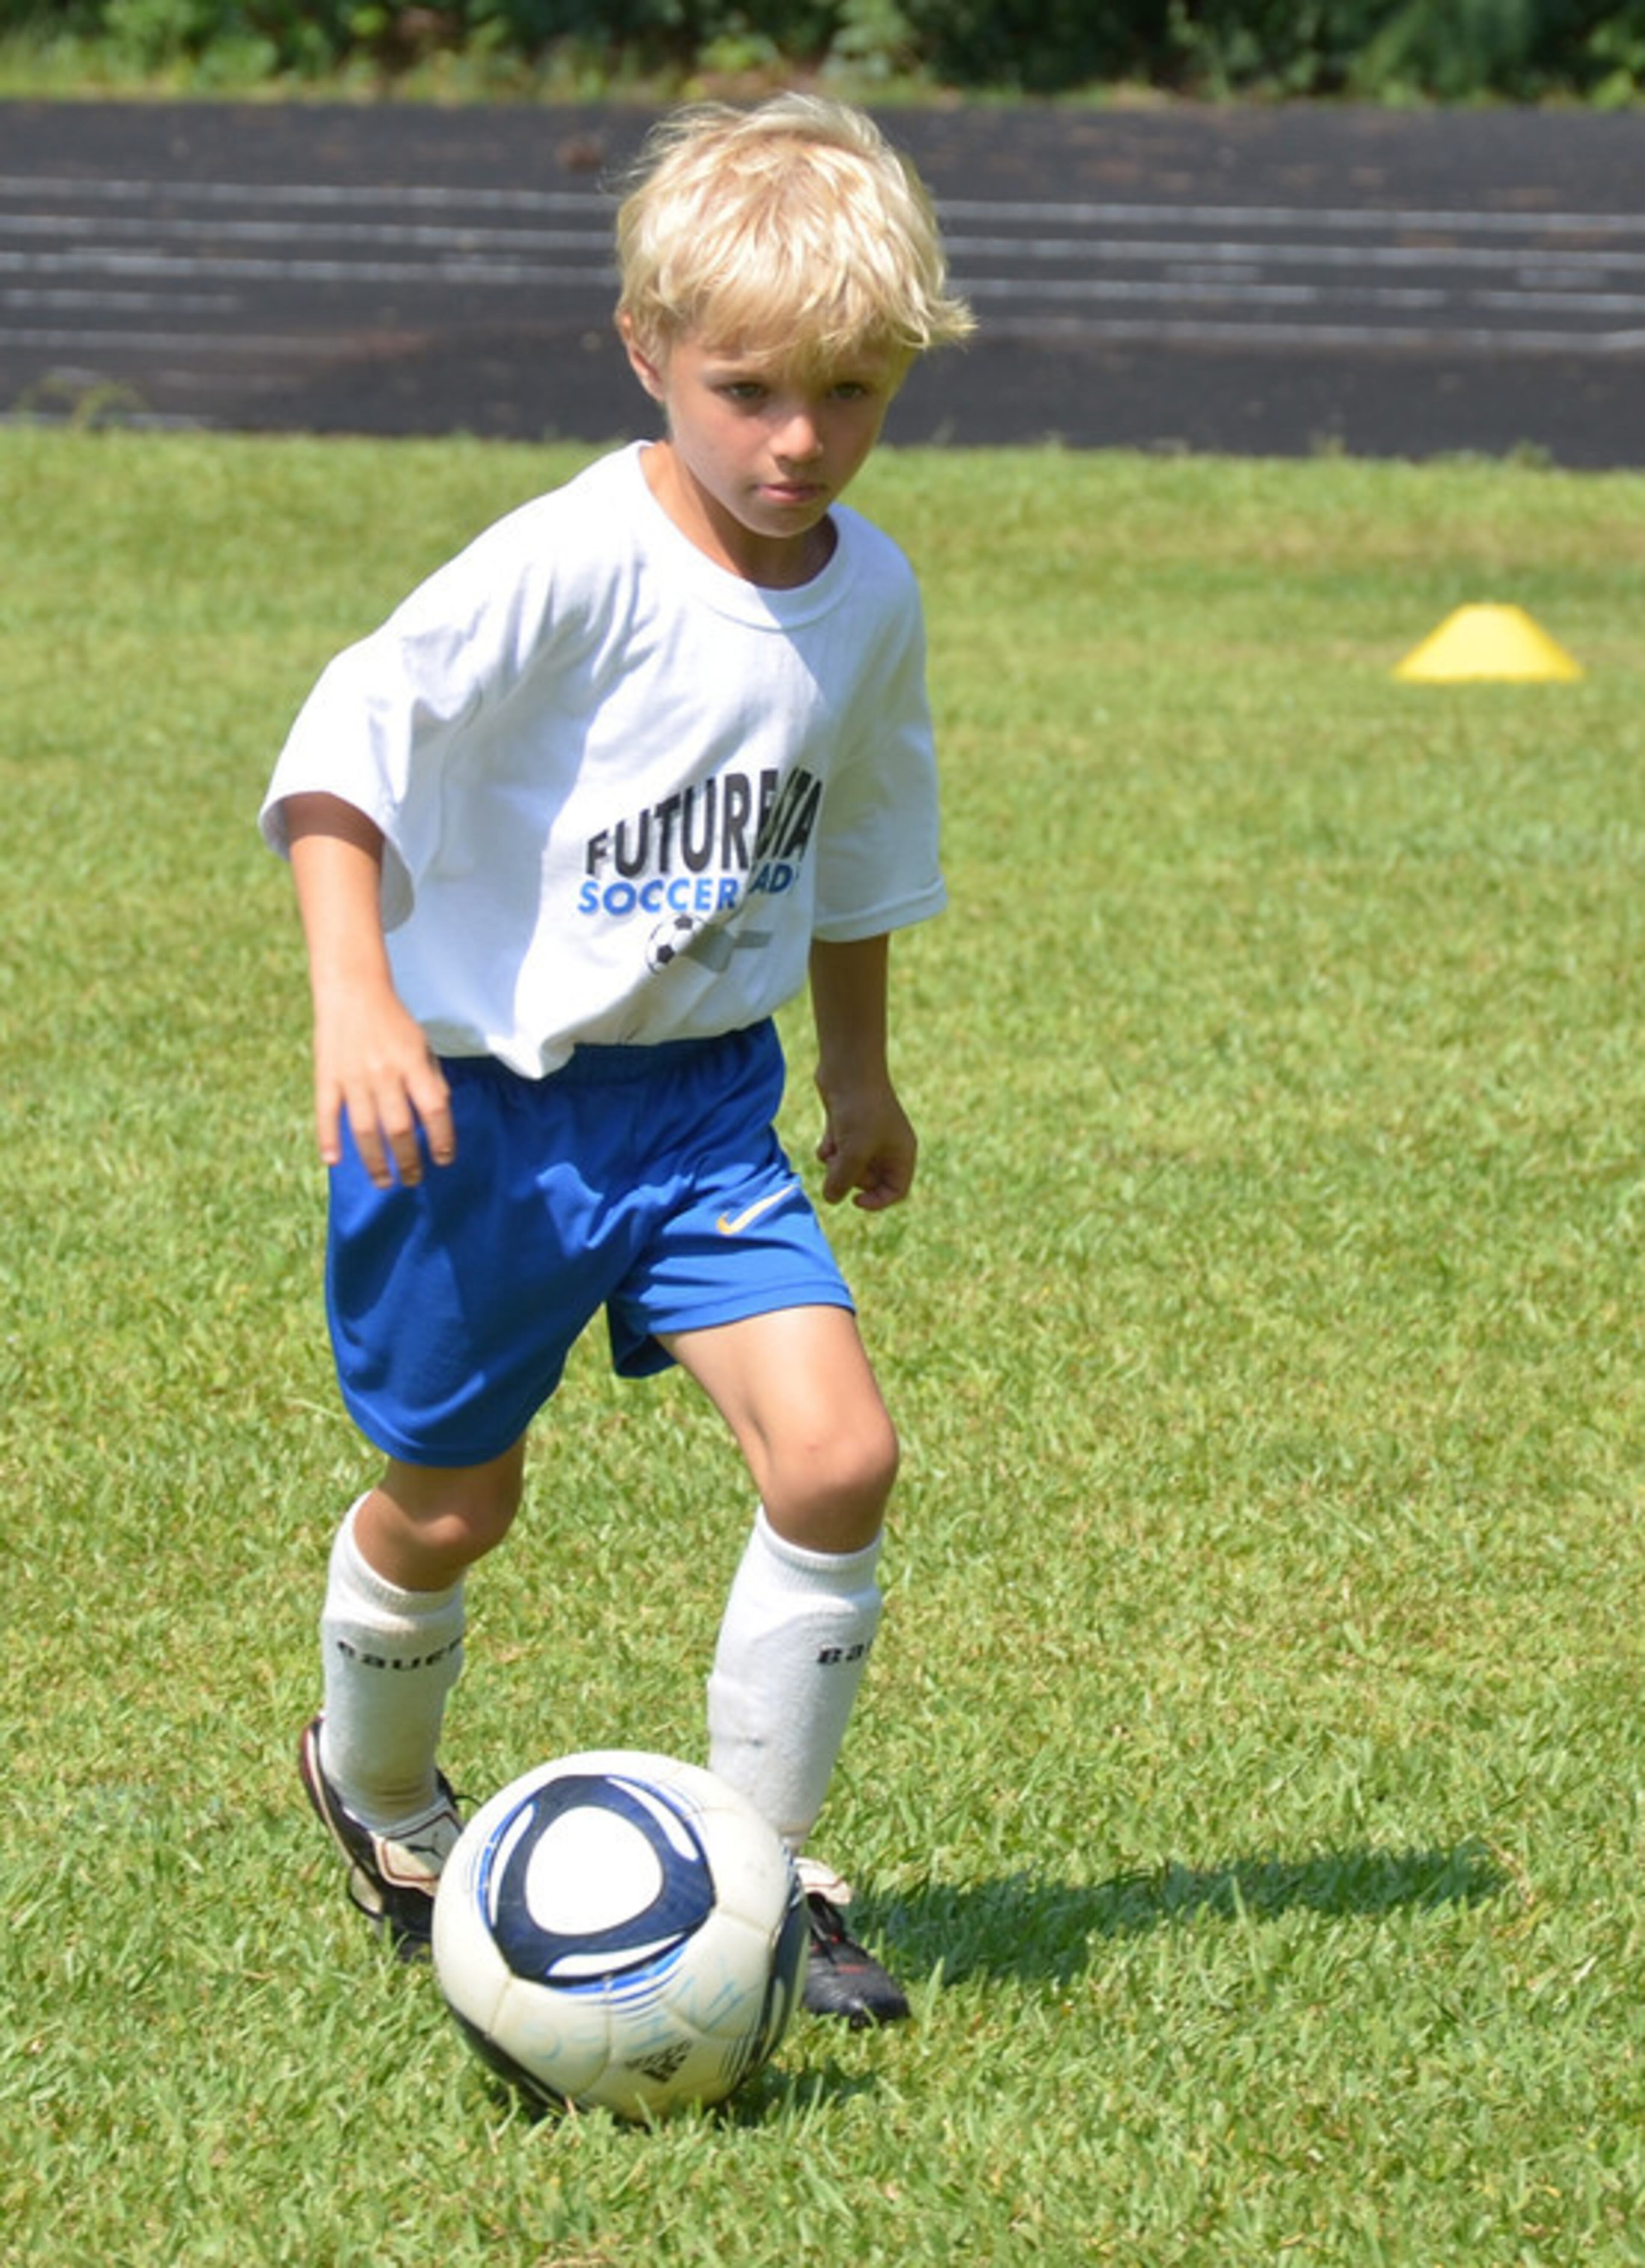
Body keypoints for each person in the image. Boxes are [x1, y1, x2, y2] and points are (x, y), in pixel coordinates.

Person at [260, 91, 973, 2029]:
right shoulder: (574, 559)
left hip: (699, 1111)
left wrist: (860, 1075)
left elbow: (854, 854)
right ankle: (379, 1785)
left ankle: (761, 1882)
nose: (799, 437)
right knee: (450, 1504)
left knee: (839, 1456)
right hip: (471, 1118)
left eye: (851, 388)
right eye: (748, 388)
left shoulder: (873, 595)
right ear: (648, 352)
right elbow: (348, 746)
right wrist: (357, 997)